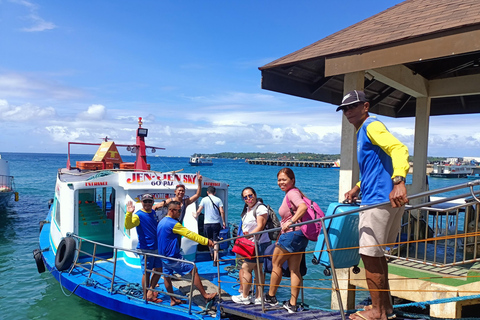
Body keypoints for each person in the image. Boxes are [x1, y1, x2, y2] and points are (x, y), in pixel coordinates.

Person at [336, 90, 409, 320]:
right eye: (344, 109)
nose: (348, 112)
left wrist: (399, 181)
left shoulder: (371, 126)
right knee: (377, 257)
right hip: (379, 198)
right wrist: (358, 186)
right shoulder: (364, 130)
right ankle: (384, 308)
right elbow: (376, 165)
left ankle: (377, 313)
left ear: (365, 106)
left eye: (352, 106)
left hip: (378, 201)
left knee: (369, 256)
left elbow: (399, 149)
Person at [264, 168, 308, 313]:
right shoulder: (294, 192)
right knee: (294, 269)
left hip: (291, 234)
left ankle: (270, 297)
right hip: (300, 235)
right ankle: (292, 304)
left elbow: (303, 207)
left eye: (284, 179)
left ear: (292, 180)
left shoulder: (292, 193)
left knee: (276, 263)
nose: (281, 182)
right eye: (279, 180)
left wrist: (291, 222)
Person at [157, 201, 218, 305]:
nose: (180, 213)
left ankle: (172, 300)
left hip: (163, 256)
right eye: (179, 211)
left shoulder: (162, 221)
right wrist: (207, 241)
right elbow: (189, 234)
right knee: (193, 269)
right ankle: (205, 296)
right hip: (172, 256)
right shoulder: (173, 223)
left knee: (166, 276)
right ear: (171, 210)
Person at [232, 187, 271, 305]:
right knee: (258, 270)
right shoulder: (249, 209)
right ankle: (258, 297)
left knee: (245, 268)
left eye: (250, 195)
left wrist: (249, 236)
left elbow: (261, 225)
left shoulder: (260, 208)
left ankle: (245, 296)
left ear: (255, 194)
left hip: (258, 244)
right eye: (245, 197)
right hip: (252, 243)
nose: (248, 198)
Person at [125, 194, 162, 303]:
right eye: (145, 201)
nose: (147, 203)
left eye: (149, 201)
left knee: (159, 270)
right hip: (146, 248)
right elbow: (128, 225)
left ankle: (150, 291)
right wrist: (129, 213)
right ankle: (146, 295)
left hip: (156, 247)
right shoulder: (138, 215)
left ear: (152, 202)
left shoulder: (153, 213)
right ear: (142, 202)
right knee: (147, 272)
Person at [194, 186, 226, 266]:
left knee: (209, 241)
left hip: (206, 224)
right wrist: (224, 222)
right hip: (216, 223)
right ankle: (215, 260)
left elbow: (199, 210)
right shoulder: (218, 200)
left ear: (207, 192)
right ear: (214, 192)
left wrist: (195, 215)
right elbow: (222, 211)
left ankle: (211, 255)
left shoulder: (204, 199)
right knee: (216, 241)